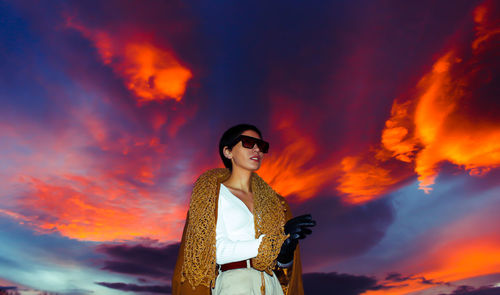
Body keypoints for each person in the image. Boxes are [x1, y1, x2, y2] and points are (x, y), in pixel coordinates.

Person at [172, 124, 316, 295]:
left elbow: (282, 268)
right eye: (248, 143)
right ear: (228, 152)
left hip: (272, 285)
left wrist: (285, 252)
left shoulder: (275, 203)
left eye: (262, 146)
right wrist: (272, 243)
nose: (257, 149)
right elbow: (218, 251)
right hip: (236, 284)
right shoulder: (213, 194)